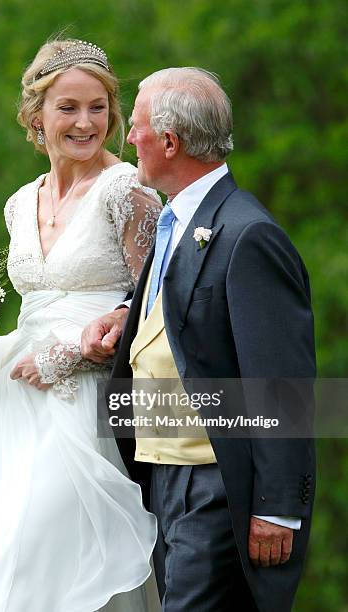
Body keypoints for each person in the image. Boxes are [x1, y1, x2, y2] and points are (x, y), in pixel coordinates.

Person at [0, 40, 163, 612]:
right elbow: (34, 320)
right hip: (23, 412)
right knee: (29, 560)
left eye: (99, 108)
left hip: (92, 411)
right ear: (37, 116)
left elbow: (158, 307)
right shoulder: (17, 203)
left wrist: (76, 357)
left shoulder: (128, 192)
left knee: (34, 569)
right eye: (68, 108)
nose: (86, 123)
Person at [81, 67, 316, 612]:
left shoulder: (248, 233)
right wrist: (125, 317)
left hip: (216, 485)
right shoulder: (177, 220)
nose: (128, 138)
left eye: (135, 127)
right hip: (164, 477)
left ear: (170, 141)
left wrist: (277, 507)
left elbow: (282, 378)